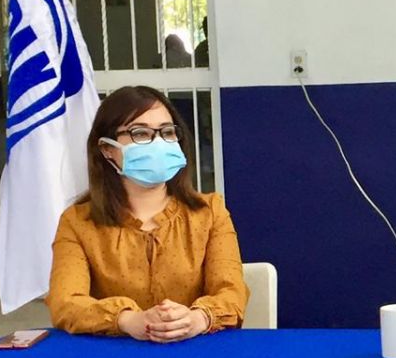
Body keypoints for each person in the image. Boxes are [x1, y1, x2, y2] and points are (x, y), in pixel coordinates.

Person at [47, 85, 248, 340]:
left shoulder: (210, 212)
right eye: (140, 133)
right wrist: (128, 320)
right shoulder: (77, 222)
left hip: (196, 350)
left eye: (167, 132)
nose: (158, 143)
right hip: (113, 353)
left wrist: (196, 319)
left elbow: (232, 292)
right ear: (107, 149)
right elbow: (65, 302)